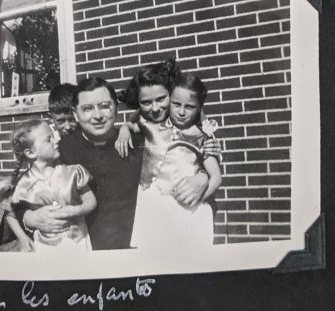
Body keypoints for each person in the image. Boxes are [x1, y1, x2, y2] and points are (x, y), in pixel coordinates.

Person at [23, 77, 209, 250]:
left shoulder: (140, 143)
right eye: (87, 109)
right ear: (76, 113)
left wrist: (202, 177)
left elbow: (180, 166)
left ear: (116, 107)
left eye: (105, 106)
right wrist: (29, 218)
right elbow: (24, 193)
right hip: (83, 252)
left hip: (138, 250)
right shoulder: (60, 151)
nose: (98, 116)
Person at [130, 72, 221, 250]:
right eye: (176, 104)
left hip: (186, 208)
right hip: (155, 206)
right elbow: (134, 122)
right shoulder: (153, 125)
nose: (181, 112)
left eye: (189, 107)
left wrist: (198, 199)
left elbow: (216, 177)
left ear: (198, 109)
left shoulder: (200, 136)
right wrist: (125, 129)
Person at [8, 118, 96, 252]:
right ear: (31, 153)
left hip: (78, 243)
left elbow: (90, 200)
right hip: (45, 247)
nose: (57, 140)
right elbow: (11, 214)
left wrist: (77, 210)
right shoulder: (24, 184)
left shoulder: (72, 172)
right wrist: (23, 238)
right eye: (49, 139)